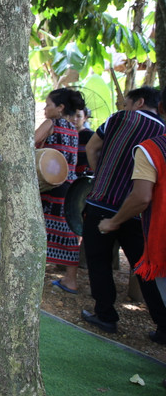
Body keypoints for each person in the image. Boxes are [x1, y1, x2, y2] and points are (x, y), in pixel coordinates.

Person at [80, 87, 165, 334]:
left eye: (126, 103)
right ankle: (162, 324)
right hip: (140, 212)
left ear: (138, 102)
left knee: (99, 262)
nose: (124, 107)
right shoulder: (163, 133)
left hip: (102, 203)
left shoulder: (121, 118)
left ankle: (105, 315)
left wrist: (101, 177)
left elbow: (91, 148)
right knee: (145, 267)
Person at [96, 115, 166, 345]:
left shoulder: (152, 148)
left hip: (159, 238)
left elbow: (141, 197)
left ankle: (104, 315)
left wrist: (113, 221)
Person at [34, 88, 84, 293]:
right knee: (68, 232)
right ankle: (70, 279)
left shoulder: (51, 124)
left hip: (51, 186)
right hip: (70, 187)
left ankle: (35, 276)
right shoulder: (73, 129)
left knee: (42, 231)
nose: (45, 109)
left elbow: (29, 143)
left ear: (60, 107)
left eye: (48, 104)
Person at [69, 107, 94, 178]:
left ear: (85, 118)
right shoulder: (65, 134)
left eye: (78, 116)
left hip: (85, 176)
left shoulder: (90, 136)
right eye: (72, 115)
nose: (74, 119)